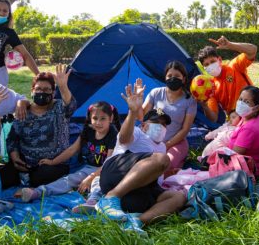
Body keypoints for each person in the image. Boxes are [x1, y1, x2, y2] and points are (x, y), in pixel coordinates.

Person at [95, 84, 187, 226]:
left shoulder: (162, 147)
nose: (161, 127)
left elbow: (153, 172)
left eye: (164, 125)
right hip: (116, 173)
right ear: (144, 125)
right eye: (156, 122)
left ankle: (136, 222)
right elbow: (124, 138)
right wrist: (132, 112)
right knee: (161, 159)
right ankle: (111, 197)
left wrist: (168, 174)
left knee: (178, 197)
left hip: (139, 190)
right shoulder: (138, 132)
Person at [15, 101, 119, 202]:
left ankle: (92, 202)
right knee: (70, 179)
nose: (98, 122)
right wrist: (53, 162)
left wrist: (90, 178)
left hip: (107, 169)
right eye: (95, 118)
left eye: (103, 119)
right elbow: (72, 149)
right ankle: (38, 192)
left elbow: (108, 162)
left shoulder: (113, 134)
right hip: (89, 168)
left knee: (98, 183)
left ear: (111, 118)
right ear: (90, 119)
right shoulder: (89, 130)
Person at [1, 67, 77, 189]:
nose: (42, 93)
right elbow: (12, 140)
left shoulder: (58, 108)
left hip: (54, 164)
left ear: (53, 93)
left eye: (47, 90)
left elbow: (70, 106)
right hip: (25, 163)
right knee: (2, 179)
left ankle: (28, 180)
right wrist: (15, 159)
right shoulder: (23, 111)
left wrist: (63, 86)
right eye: (39, 89)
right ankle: (24, 177)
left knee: (39, 178)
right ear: (32, 91)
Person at [141, 61, 197, 174]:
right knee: (140, 165)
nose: (173, 79)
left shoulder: (190, 100)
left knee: (163, 166)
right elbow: (142, 117)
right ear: (165, 77)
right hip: (152, 140)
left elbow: (185, 129)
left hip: (176, 143)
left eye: (177, 76)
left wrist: (166, 146)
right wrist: (137, 102)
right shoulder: (156, 93)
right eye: (169, 76)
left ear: (184, 79)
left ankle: (175, 166)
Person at [197, 35, 258, 122]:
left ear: (220, 60)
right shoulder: (212, 88)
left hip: (253, 115)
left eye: (212, 61)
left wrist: (230, 45)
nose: (210, 65)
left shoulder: (234, 66)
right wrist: (205, 106)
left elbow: (253, 50)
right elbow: (213, 118)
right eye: (206, 64)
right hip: (234, 122)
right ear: (204, 68)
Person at [226, 86, 259, 176]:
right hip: (249, 164)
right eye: (240, 99)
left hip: (249, 169)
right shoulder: (253, 116)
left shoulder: (250, 128)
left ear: (257, 108)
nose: (241, 103)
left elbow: (234, 154)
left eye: (246, 102)